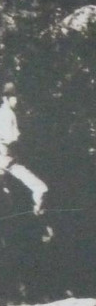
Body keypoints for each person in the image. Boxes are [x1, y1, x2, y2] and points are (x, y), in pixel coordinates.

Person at [0, 83, 49, 214]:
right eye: (13, 98)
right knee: (40, 188)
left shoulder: (6, 113)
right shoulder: (7, 114)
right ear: (5, 98)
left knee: (7, 195)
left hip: (6, 160)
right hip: (5, 159)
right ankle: (37, 210)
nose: (16, 101)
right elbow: (9, 138)